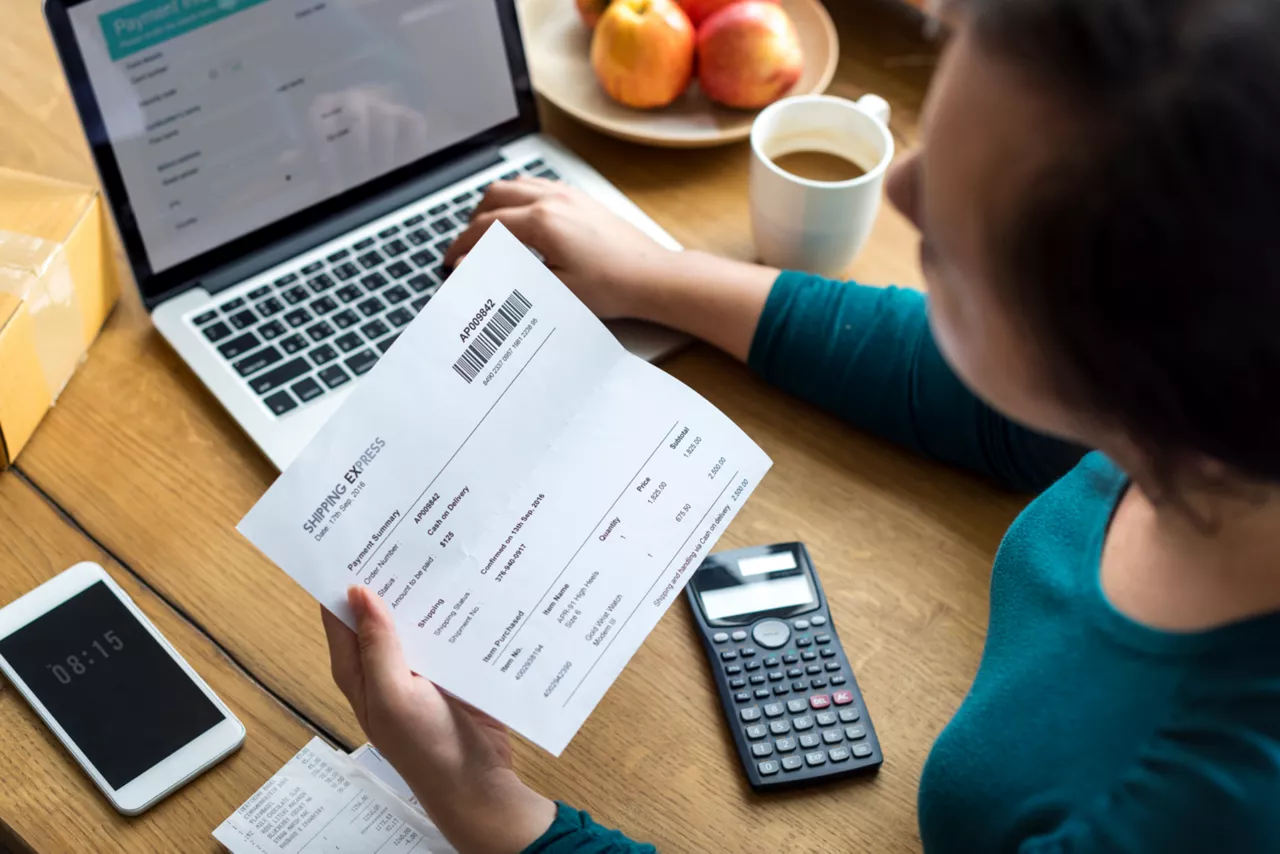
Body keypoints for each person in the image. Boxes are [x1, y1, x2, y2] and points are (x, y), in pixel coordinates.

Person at [320, 0, 1280, 849]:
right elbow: (994, 400)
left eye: (953, 234)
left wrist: (485, 808)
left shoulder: (1203, 806)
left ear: (1140, 329)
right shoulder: (1218, 414)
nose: (902, 189)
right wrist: (654, 275)